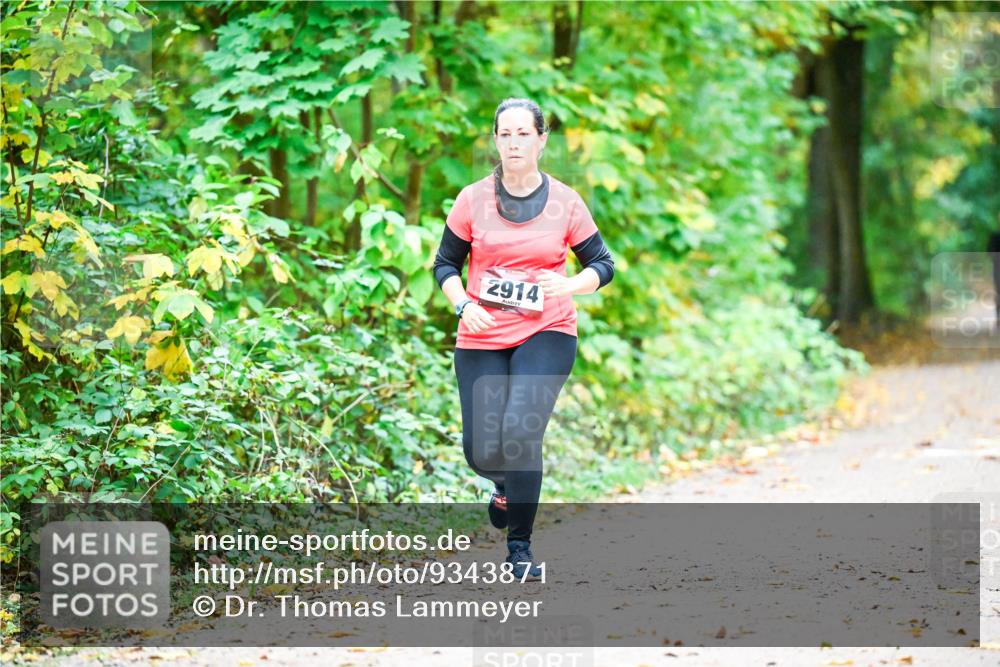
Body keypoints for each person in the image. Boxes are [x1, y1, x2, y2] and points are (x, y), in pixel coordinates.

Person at [432, 97, 615, 580]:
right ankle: (504, 484)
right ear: (496, 140)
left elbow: (604, 264)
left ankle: (520, 549)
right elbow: (444, 265)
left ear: (541, 139)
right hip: (483, 331)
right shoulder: (471, 199)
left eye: (522, 133)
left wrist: (571, 285)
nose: (513, 142)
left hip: (547, 329)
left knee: (520, 432)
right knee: (481, 449)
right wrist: (464, 305)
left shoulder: (565, 201)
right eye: (505, 134)